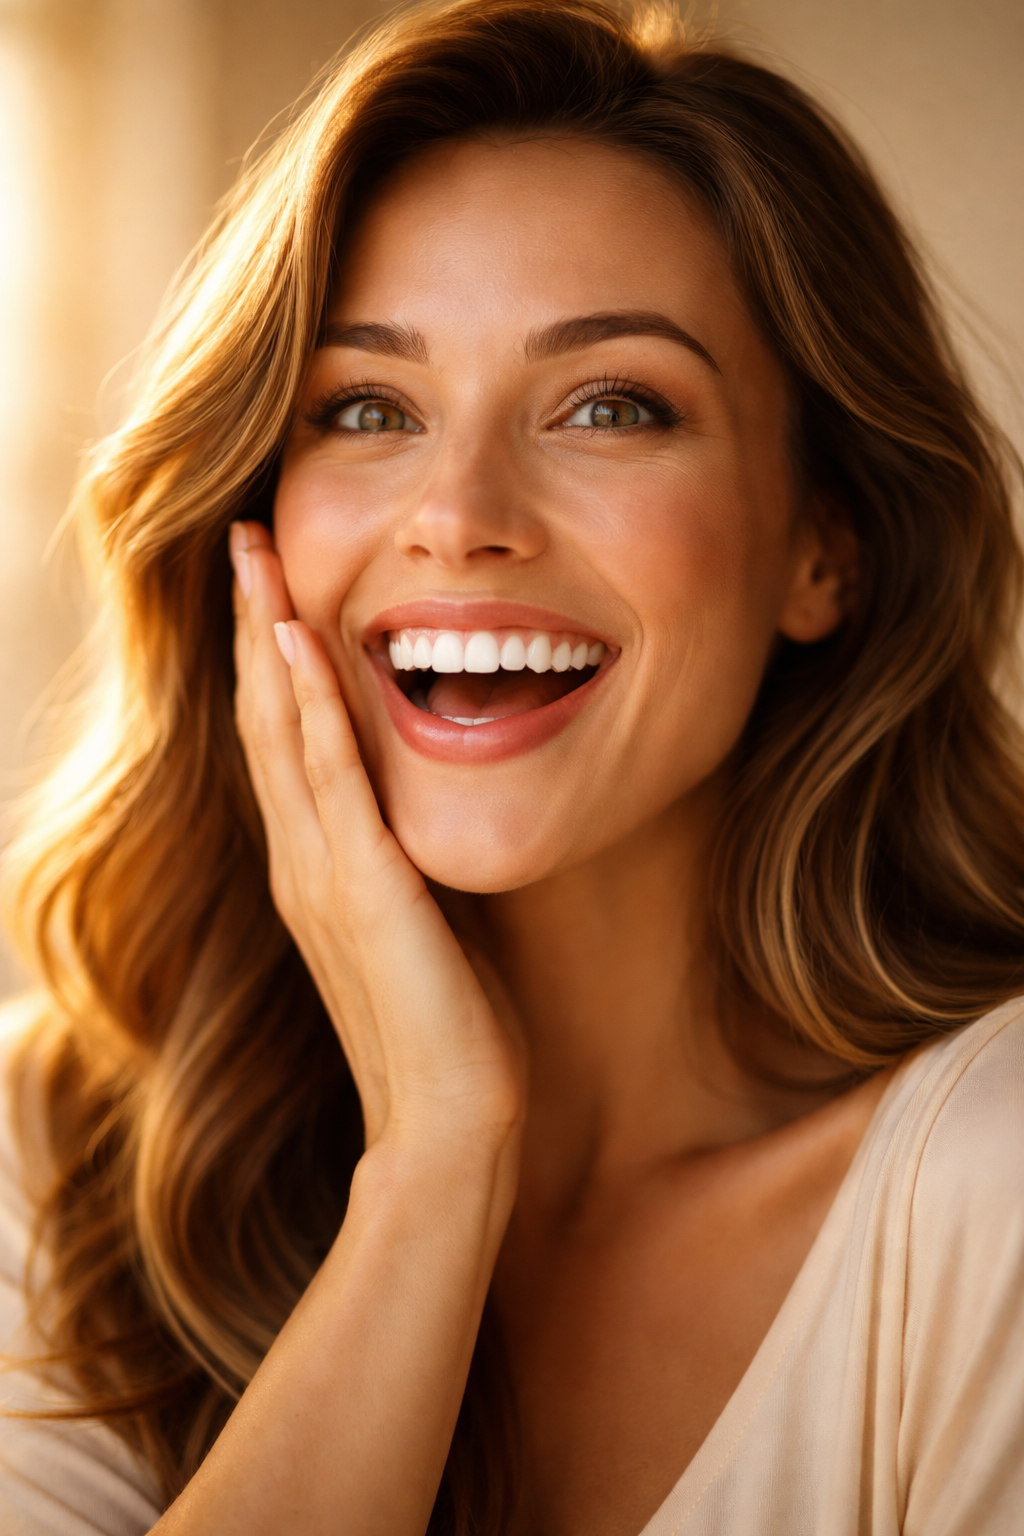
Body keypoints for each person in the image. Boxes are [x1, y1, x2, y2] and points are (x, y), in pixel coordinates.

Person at [2, 0, 1024, 1530]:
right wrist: (433, 1163)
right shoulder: (49, 1147)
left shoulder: (997, 1177)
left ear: (828, 544)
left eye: (611, 406)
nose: (460, 515)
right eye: (367, 408)